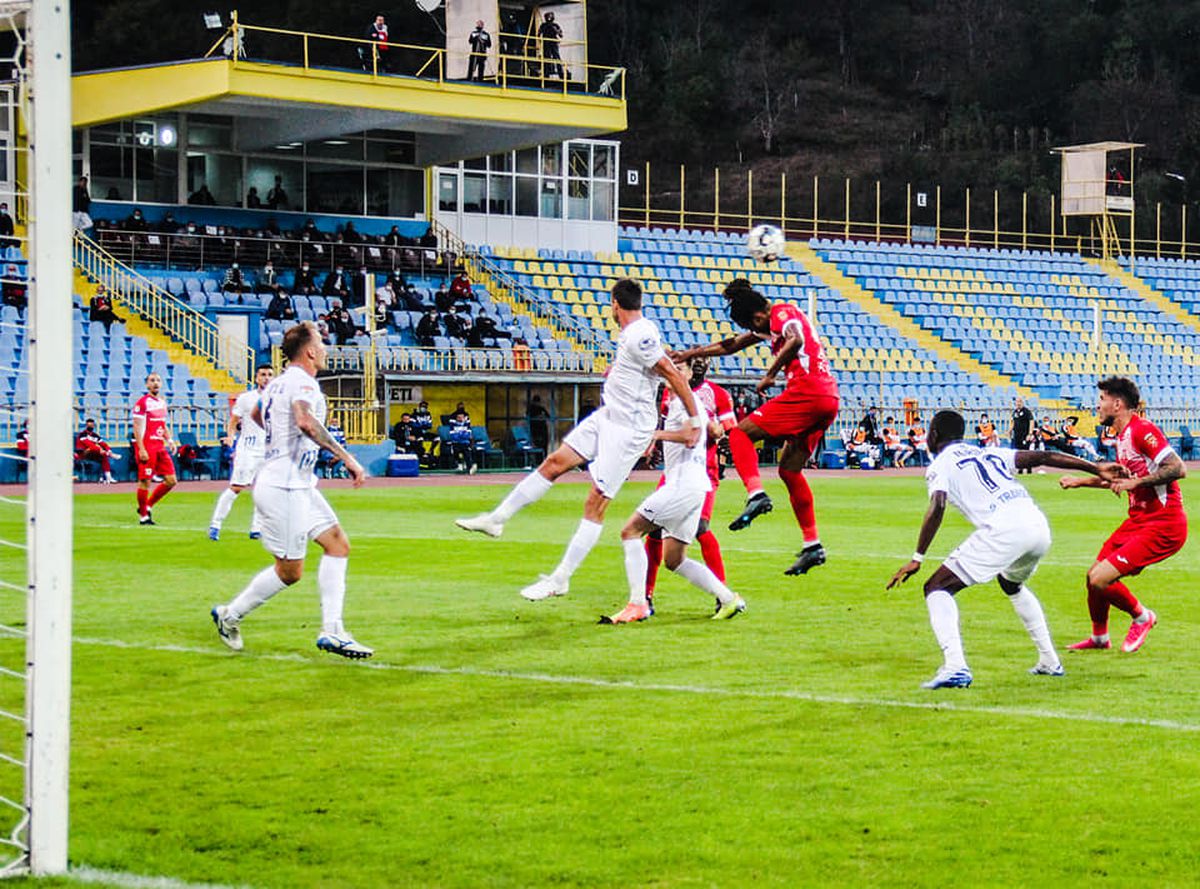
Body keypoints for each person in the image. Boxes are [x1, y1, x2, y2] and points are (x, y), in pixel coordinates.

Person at [456, 278, 701, 602]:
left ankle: (561, 578)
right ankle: (496, 519)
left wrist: (694, 418)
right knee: (555, 462)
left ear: (615, 303)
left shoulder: (640, 333)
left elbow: (670, 372)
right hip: (609, 416)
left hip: (628, 430)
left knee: (595, 501)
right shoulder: (634, 334)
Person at [887, 409, 1124, 689]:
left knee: (937, 588)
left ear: (933, 434)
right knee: (1011, 584)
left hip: (1005, 529)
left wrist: (917, 558)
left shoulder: (940, 464)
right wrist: (1096, 467)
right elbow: (1044, 457)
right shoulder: (988, 453)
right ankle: (1050, 661)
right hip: (1037, 526)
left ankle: (955, 667)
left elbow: (937, 505)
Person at [210, 321, 372, 659]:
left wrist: (278, 442)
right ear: (310, 351)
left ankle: (333, 630)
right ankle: (230, 615)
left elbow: (256, 415)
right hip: (283, 486)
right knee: (289, 572)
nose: (325, 349)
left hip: (296, 482)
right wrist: (347, 458)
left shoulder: (276, 385)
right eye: (322, 344)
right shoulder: (303, 384)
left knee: (338, 545)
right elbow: (304, 421)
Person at [670, 278, 839, 576]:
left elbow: (796, 339)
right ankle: (813, 545)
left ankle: (756, 495)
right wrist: (689, 355)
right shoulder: (768, 323)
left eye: (754, 324)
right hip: (828, 397)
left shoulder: (782, 313)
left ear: (759, 316)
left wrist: (770, 373)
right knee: (789, 469)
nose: (755, 331)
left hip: (808, 391)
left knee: (739, 434)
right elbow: (732, 345)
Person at [1059, 377, 1188, 654]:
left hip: (1163, 523)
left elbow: (1178, 468)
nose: (1098, 405)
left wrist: (1137, 483)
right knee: (1092, 576)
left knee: (1101, 579)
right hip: (1139, 521)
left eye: (1103, 399)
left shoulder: (1142, 430)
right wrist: (1079, 482)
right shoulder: (1122, 436)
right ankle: (1099, 638)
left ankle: (1143, 617)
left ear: (1117, 404)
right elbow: (1122, 480)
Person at [604, 384, 746, 624]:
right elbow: (709, 428)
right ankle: (728, 598)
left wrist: (656, 435)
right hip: (693, 484)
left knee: (630, 532)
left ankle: (638, 603)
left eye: (680, 366)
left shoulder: (684, 401)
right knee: (674, 560)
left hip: (682, 483)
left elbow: (691, 437)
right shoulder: (686, 402)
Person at [643, 357, 738, 611]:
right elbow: (668, 423)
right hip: (673, 472)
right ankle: (645, 596)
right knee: (653, 530)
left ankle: (723, 594)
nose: (698, 365)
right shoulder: (669, 394)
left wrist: (718, 433)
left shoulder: (717, 394)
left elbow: (728, 430)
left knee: (700, 527)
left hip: (703, 470)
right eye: (691, 361)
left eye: (702, 360)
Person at [208, 365, 274, 540]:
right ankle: (216, 524)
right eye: (263, 375)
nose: (266, 378)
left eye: (269, 375)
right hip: (248, 449)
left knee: (263, 490)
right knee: (236, 487)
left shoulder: (277, 399)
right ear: (256, 378)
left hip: (267, 451)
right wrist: (230, 437)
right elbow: (234, 421)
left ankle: (256, 528)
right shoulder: (246, 398)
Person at [132, 373, 177, 525]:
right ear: (147, 385)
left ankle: (147, 505)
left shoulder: (162, 403)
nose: (155, 383)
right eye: (152, 381)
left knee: (171, 481)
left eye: (158, 380)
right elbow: (137, 427)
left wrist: (169, 440)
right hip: (147, 446)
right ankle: (143, 516)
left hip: (159, 446)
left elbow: (162, 424)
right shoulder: (142, 403)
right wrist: (141, 448)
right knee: (145, 481)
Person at [75, 418, 118, 484]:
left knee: (104, 456)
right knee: (93, 448)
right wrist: (100, 449)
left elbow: (104, 444)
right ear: (86, 426)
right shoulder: (82, 434)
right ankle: (109, 454)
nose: (91, 427)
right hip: (82, 453)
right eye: (89, 425)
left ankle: (109, 478)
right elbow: (89, 444)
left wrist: (108, 450)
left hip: (92, 454)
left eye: (92, 425)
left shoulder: (95, 435)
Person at [447, 410, 477, 474]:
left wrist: (460, 434)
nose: (461, 418)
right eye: (459, 417)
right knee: (455, 450)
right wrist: (462, 434)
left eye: (462, 417)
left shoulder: (466, 424)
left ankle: (470, 468)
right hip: (456, 443)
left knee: (467, 453)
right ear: (456, 418)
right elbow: (453, 435)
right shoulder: (453, 425)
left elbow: (468, 434)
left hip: (465, 443)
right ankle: (459, 465)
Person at [1010, 397, 1035, 473]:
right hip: (1017, 435)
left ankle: (1028, 469)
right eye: (1017, 402)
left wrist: (1030, 433)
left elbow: (1031, 421)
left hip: (1025, 435)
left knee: (1026, 452)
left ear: (1022, 402)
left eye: (1020, 401)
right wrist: (1009, 430)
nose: (1018, 403)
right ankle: (1020, 469)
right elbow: (1012, 422)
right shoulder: (1015, 412)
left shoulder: (1027, 411)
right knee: (1019, 452)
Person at [537, 10, 564, 79]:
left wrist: (556, 30)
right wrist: (540, 41)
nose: (549, 18)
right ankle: (547, 74)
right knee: (547, 58)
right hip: (546, 43)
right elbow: (538, 34)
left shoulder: (555, 25)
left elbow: (561, 35)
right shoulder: (543, 25)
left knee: (557, 58)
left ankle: (561, 74)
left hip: (553, 43)